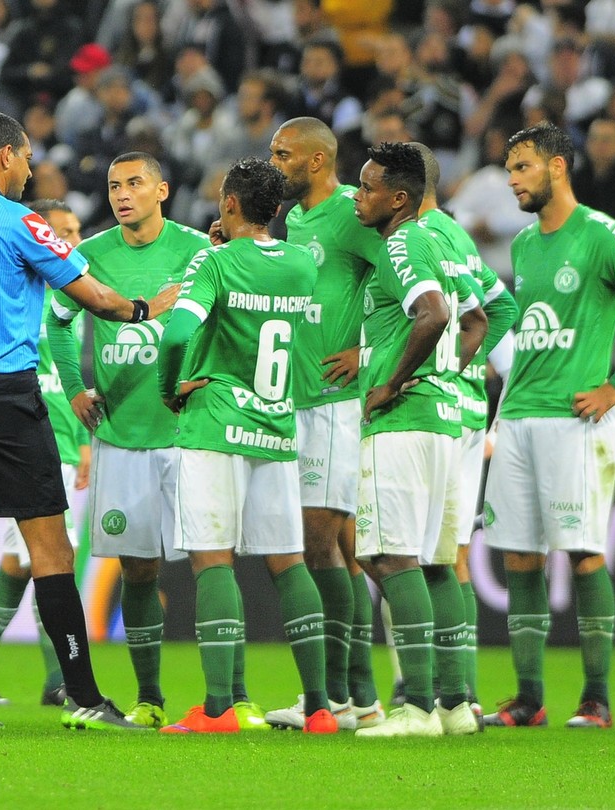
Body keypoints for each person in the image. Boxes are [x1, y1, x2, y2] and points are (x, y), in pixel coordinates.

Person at [0, 110, 172, 730]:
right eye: (26, 157)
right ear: (4, 156)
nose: (29, 169)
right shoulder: (17, 220)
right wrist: (144, 308)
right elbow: (95, 298)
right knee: (51, 550)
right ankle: (83, 696)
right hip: (4, 393)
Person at [481, 122, 615, 729]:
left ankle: (596, 698)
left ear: (558, 167)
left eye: (523, 168)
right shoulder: (522, 246)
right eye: (510, 169)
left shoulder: (601, 234)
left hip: (575, 420)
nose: (512, 180)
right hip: (516, 417)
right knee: (519, 557)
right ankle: (529, 697)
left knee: (584, 553)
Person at [153, 156, 331, 735]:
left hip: (217, 424)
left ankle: (217, 709)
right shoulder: (302, 263)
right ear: (276, 209)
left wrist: (170, 388)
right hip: (277, 428)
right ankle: (321, 707)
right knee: (289, 562)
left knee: (212, 559)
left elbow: (178, 331)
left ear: (229, 204)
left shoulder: (215, 262)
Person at [44, 152, 215, 730]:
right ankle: (150, 698)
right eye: (114, 184)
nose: (122, 193)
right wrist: (73, 389)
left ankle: (230, 698)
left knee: (211, 564)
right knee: (138, 570)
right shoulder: (90, 255)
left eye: (135, 183)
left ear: (162, 190)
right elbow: (58, 325)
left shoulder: (197, 251)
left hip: (189, 433)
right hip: (120, 435)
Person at [347, 141, 488, 738]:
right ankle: (455, 705)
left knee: (387, 555)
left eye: (369, 187)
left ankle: (416, 708)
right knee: (434, 561)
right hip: (446, 418)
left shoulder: (403, 242)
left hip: (404, 420)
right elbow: (480, 317)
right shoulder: (442, 235)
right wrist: (446, 377)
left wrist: (395, 381)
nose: (359, 197)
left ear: (398, 198)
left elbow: (431, 313)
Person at [258, 117, 387, 732]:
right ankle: (356, 695)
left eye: (283, 154)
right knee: (334, 549)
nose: (273, 161)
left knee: (319, 546)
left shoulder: (349, 216)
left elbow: (415, 292)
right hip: (295, 401)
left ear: (315, 161)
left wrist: (369, 354)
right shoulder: (297, 221)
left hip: (335, 405)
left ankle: (341, 694)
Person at [0, 199, 91, 709]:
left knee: (23, 561)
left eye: (77, 231)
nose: (72, 242)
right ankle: (60, 678)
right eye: (63, 233)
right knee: (50, 558)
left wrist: (82, 444)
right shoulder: (13, 294)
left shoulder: (65, 302)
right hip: (21, 441)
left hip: (58, 441)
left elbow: (64, 382)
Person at [413, 140, 518, 720]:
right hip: (466, 414)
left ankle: (425, 688)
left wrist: (445, 366)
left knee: (404, 552)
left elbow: (494, 327)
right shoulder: (458, 240)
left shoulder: (411, 244)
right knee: (447, 556)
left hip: (429, 413)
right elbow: (502, 319)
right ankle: (460, 693)